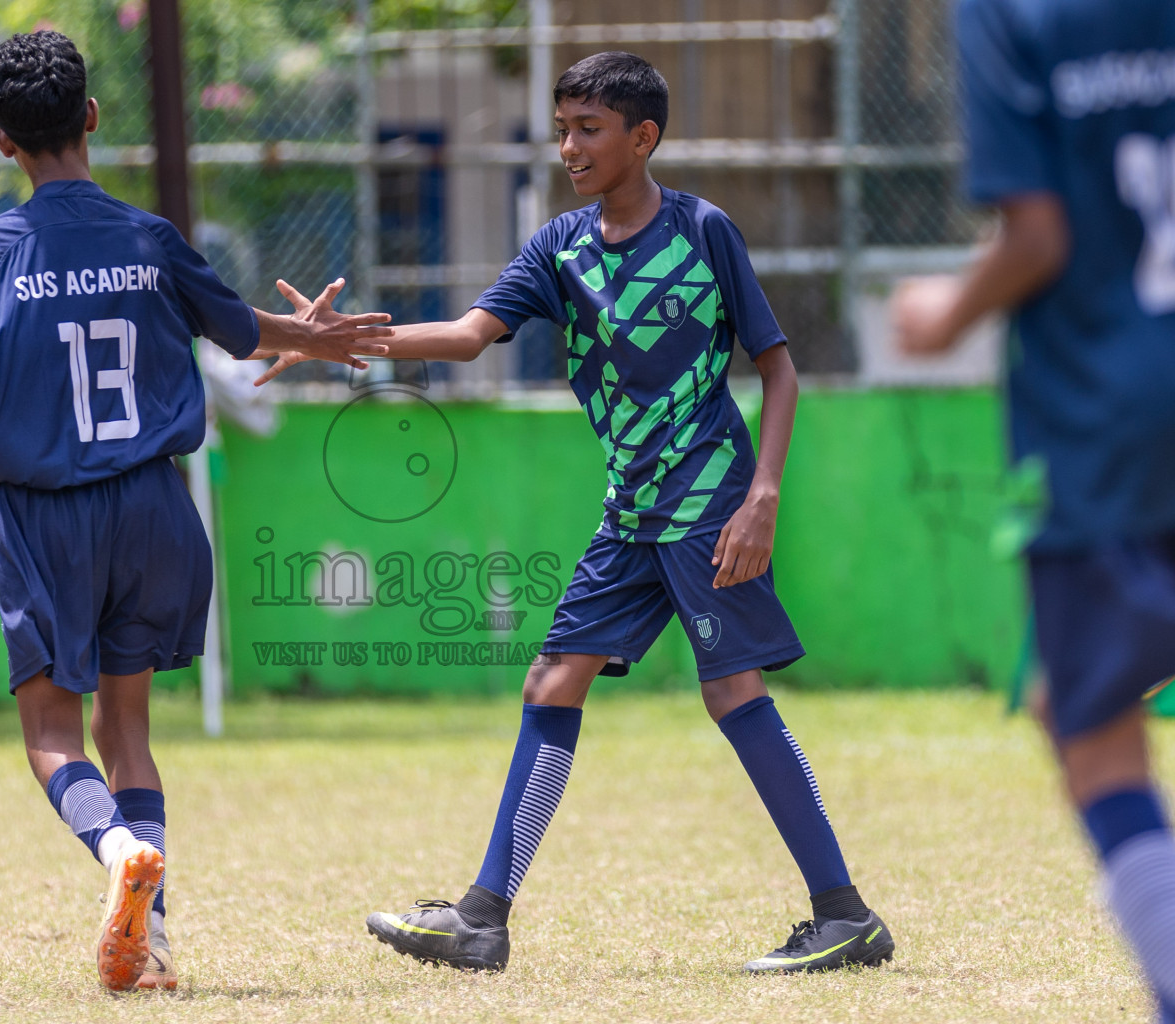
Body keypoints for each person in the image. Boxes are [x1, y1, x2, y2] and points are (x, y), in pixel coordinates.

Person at [260, 50, 892, 974]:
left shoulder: (704, 231)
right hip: (631, 510)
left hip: (708, 500)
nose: (569, 147)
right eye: (561, 129)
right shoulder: (560, 248)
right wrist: (331, 344)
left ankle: (845, 915)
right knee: (552, 684)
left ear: (644, 137)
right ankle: (483, 919)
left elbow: (779, 367)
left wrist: (762, 497)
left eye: (588, 130)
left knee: (732, 691)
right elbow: (470, 339)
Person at [0, 30, 389, 992]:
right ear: (91, 118)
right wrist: (306, 333)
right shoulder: (150, 239)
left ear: (1, 141)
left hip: (49, 514)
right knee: (127, 729)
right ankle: (154, 942)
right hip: (155, 509)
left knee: (52, 737)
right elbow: (235, 326)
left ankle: (115, 857)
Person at [891, 1, 1175, 1018]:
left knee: (1089, 721)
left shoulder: (1015, 13)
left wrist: (942, 313)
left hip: (1113, 416)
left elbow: (1038, 235)